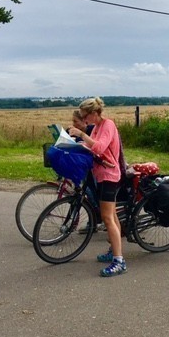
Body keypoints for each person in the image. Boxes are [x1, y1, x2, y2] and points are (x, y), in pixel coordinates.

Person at [69, 97, 125, 277]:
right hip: (102, 175)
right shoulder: (98, 128)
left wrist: (82, 134)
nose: (84, 120)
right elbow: (90, 146)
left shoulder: (107, 125)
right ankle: (114, 250)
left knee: (107, 217)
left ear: (94, 113)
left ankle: (119, 261)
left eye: (85, 116)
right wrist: (74, 144)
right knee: (112, 215)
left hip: (110, 176)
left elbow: (99, 148)